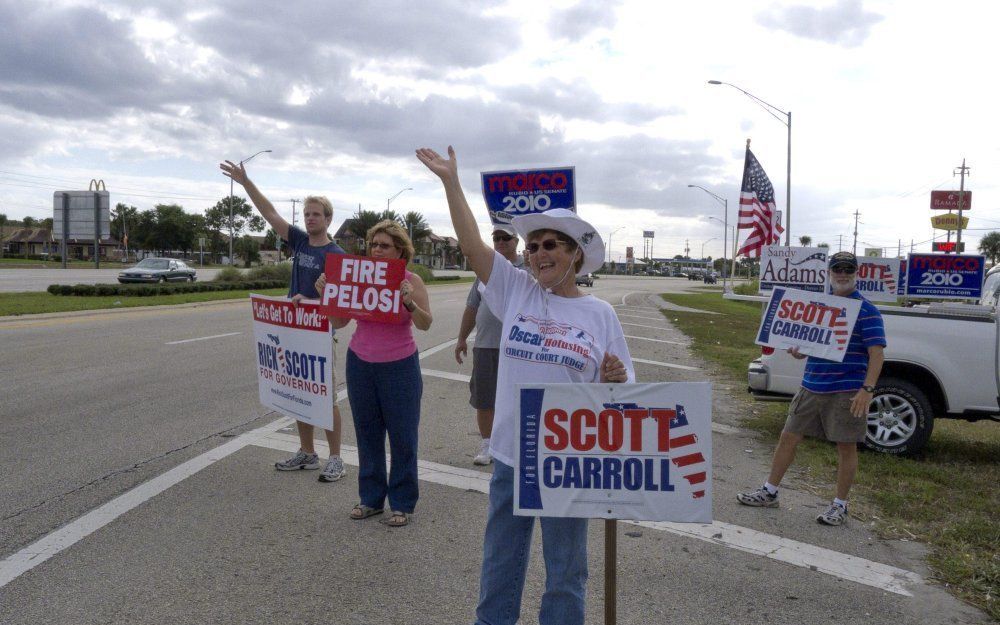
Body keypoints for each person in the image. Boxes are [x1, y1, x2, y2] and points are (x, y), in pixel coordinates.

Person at [417, 145, 633, 625]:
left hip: (568, 462)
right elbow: (473, 247)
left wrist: (613, 377)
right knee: (500, 567)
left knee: (565, 572)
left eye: (551, 244)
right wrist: (452, 182)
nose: (538, 253)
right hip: (512, 456)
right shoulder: (515, 289)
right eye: (532, 246)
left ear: (575, 253)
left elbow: (621, 391)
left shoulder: (600, 315)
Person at [219, 160, 347, 483]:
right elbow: (270, 213)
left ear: (328, 219)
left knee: (325, 395)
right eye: (307, 214)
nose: (310, 218)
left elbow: (343, 304)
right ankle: (307, 452)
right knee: (301, 392)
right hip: (295, 332)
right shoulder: (301, 241)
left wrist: (315, 300)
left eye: (316, 214)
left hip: (321, 332)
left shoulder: (337, 255)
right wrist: (246, 183)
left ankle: (336, 458)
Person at [737, 251, 886, 526]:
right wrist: (799, 351)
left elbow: (877, 354)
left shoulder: (866, 311)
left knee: (845, 447)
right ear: (829, 273)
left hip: (846, 390)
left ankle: (840, 506)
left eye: (848, 269)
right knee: (788, 437)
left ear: (856, 274)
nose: (842, 274)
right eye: (837, 269)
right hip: (811, 385)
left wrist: (867, 389)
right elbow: (814, 344)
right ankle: (770, 492)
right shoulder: (819, 306)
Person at [317, 220, 432, 528]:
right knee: (367, 435)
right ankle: (370, 499)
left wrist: (409, 303)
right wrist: (329, 295)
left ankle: (403, 503)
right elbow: (339, 322)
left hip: (400, 366)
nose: (377, 250)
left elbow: (425, 324)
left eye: (384, 245)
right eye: (373, 244)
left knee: (403, 436)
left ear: (400, 251)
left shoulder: (411, 281)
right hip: (361, 363)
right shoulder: (356, 279)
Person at [455, 224, 525, 466]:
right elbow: (472, 306)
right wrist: (462, 338)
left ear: (517, 241)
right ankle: (488, 443)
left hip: (519, 348)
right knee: (485, 398)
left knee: (518, 398)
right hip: (486, 345)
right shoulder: (484, 271)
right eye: (497, 238)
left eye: (506, 238)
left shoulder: (528, 269)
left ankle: (516, 444)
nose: (501, 242)